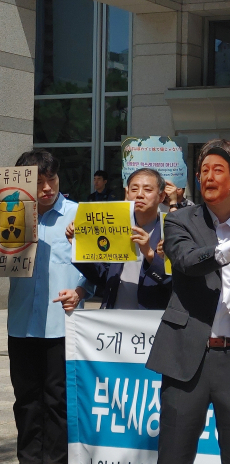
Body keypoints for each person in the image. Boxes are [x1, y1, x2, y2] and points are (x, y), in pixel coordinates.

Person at [146, 141, 230, 464]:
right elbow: (187, 260)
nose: (208, 177)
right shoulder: (180, 221)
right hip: (186, 358)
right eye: (203, 171)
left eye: (218, 170)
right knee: (174, 456)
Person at [8, 150, 93, 464]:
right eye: (39, 182)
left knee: (58, 401)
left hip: (62, 326)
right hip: (20, 325)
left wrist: (80, 291)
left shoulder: (79, 215)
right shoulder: (11, 215)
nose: (47, 188)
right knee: (26, 401)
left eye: (52, 179)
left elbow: (99, 270)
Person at [69, 168, 171, 309]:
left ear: (161, 196)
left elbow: (175, 282)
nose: (140, 195)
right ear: (127, 193)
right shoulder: (115, 227)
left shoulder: (170, 230)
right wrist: (78, 245)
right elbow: (102, 276)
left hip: (151, 318)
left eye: (147, 190)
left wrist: (149, 254)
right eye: (134, 189)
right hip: (115, 316)